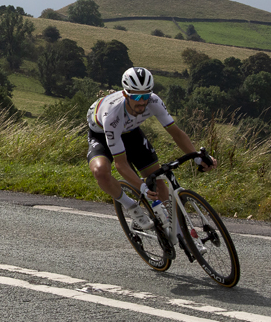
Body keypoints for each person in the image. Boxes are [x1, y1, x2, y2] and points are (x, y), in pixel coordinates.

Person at [87, 66, 216, 232]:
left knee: (157, 180)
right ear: (126, 94)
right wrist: (142, 189)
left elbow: (176, 134)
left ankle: (173, 227)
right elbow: (121, 163)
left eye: (146, 95)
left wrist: (197, 157)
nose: (142, 101)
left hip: (131, 133)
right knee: (100, 172)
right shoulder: (112, 115)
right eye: (137, 96)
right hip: (103, 134)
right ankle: (132, 207)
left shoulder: (154, 101)